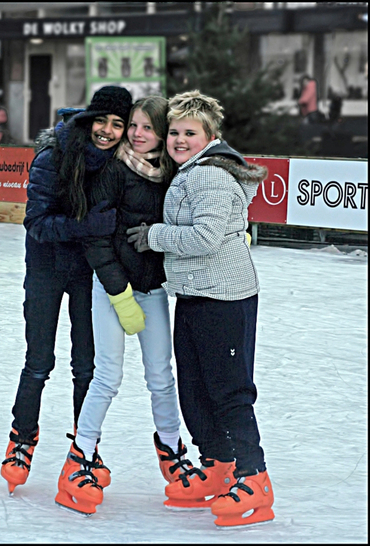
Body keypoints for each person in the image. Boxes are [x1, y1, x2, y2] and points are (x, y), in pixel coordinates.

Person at [126, 90, 274, 528]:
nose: (179, 140)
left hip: (224, 297)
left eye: (190, 132)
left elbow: (205, 238)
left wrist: (154, 235)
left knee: (229, 391)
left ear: (210, 136)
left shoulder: (208, 176)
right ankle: (218, 466)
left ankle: (255, 478)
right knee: (194, 385)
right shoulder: (190, 171)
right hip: (195, 293)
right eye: (174, 132)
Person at [54, 96, 200, 517]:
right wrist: (118, 291)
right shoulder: (113, 170)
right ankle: (80, 456)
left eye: (146, 128)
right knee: (108, 376)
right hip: (111, 288)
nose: (137, 134)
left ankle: (172, 450)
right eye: (132, 125)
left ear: (162, 133)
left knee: (161, 375)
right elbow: (97, 238)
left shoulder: (172, 174)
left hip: (152, 290)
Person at [0, 86, 133, 495]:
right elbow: (36, 222)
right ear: (88, 119)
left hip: (86, 272)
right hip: (45, 267)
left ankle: (85, 447)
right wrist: (85, 227)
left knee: (86, 367)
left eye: (118, 125)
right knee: (38, 360)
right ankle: (22, 437)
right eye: (102, 121)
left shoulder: (120, 163)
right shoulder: (53, 155)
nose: (107, 132)